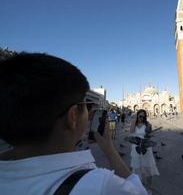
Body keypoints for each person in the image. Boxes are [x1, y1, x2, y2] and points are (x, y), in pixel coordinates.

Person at [0, 53, 147, 195]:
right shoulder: (100, 185)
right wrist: (109, 150)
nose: (89, 114)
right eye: (86, 106)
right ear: (72, 116)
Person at [129, 109, 159, 194]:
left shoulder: (148, 124)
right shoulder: (134, 124)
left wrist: (149, 136)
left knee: (148, 169)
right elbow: (131, 132)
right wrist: (134, 119)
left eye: (143, 116)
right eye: (139, 116)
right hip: (136, 148)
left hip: (146, 149)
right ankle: (139, 188)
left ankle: (148, 188)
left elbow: (149, 136)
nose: (141, 117)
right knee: (137, 169)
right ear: (137, 116)